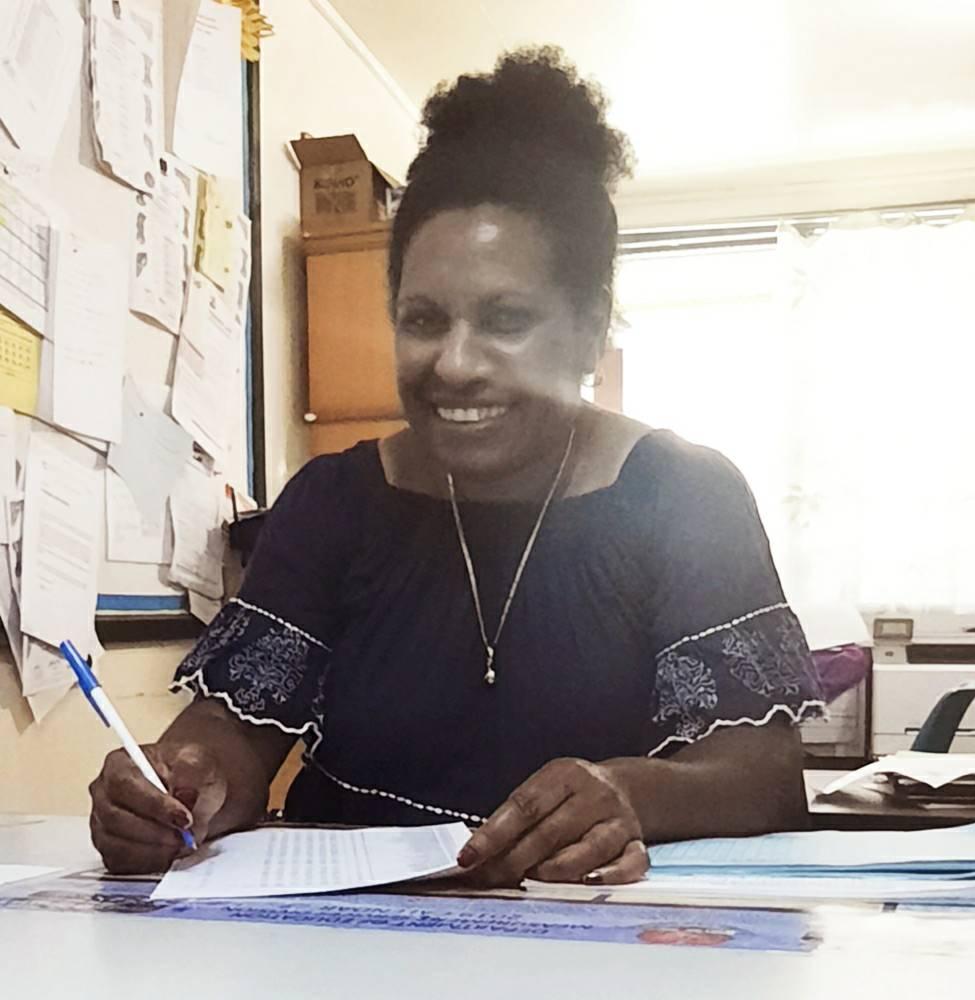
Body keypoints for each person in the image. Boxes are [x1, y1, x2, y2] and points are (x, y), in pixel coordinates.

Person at [88, 47, 824, 886]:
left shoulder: (685, 496)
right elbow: (230, 747)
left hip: (597, 942)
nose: (455, 363)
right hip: (340, 942)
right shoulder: (333, 503)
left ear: (588, 332)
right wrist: (173, 791)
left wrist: (630, 793)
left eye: (506, 319)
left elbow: (763, 782)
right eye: (423, 319)